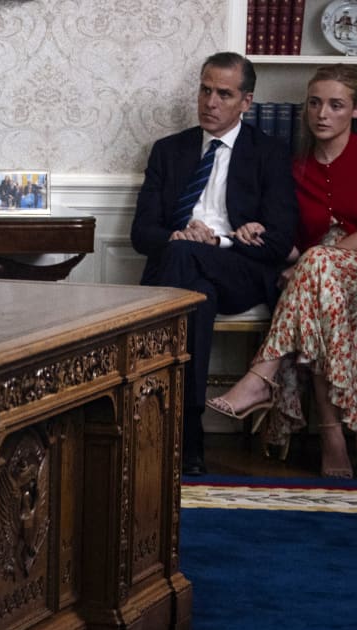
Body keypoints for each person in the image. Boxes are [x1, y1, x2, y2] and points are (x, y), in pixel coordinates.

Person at [206, 64, 357, 478]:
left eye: (335, 105)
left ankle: (262, 374)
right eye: (314, 103)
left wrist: (310, 261)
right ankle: (333, 437)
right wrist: (256, 229)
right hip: (321, 285)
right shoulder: (294, 165)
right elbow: (289, 239)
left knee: (317, 266)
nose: (322, 113)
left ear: (355, 110)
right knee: (322, 301)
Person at [131, 52, 298, 476]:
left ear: (246, 101)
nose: (210, 102)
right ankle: (189, 436)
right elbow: (141, 233)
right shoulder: (169, 151)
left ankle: (165, 429)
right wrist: (179, 233)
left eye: (224, 94)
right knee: (197, 297)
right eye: (205, 90)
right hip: (186, 268)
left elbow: (278, 241)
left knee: (186, 260)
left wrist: (221, 238)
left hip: (240, 270)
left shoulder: (270, 152)